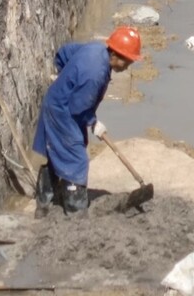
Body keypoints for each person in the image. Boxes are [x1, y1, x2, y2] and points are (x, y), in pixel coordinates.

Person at [34, 25, 141, 214]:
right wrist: (94, 123)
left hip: (61, 104)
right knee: (77, 160)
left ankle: (44, 202)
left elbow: (64, 54)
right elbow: (79, 107)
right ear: (115, 55)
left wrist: (66, 82)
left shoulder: (96, 49)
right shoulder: (95, 74)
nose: (127, 67)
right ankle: (75, 210)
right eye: (127, 61)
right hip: (62, 113)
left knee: (59, 151)